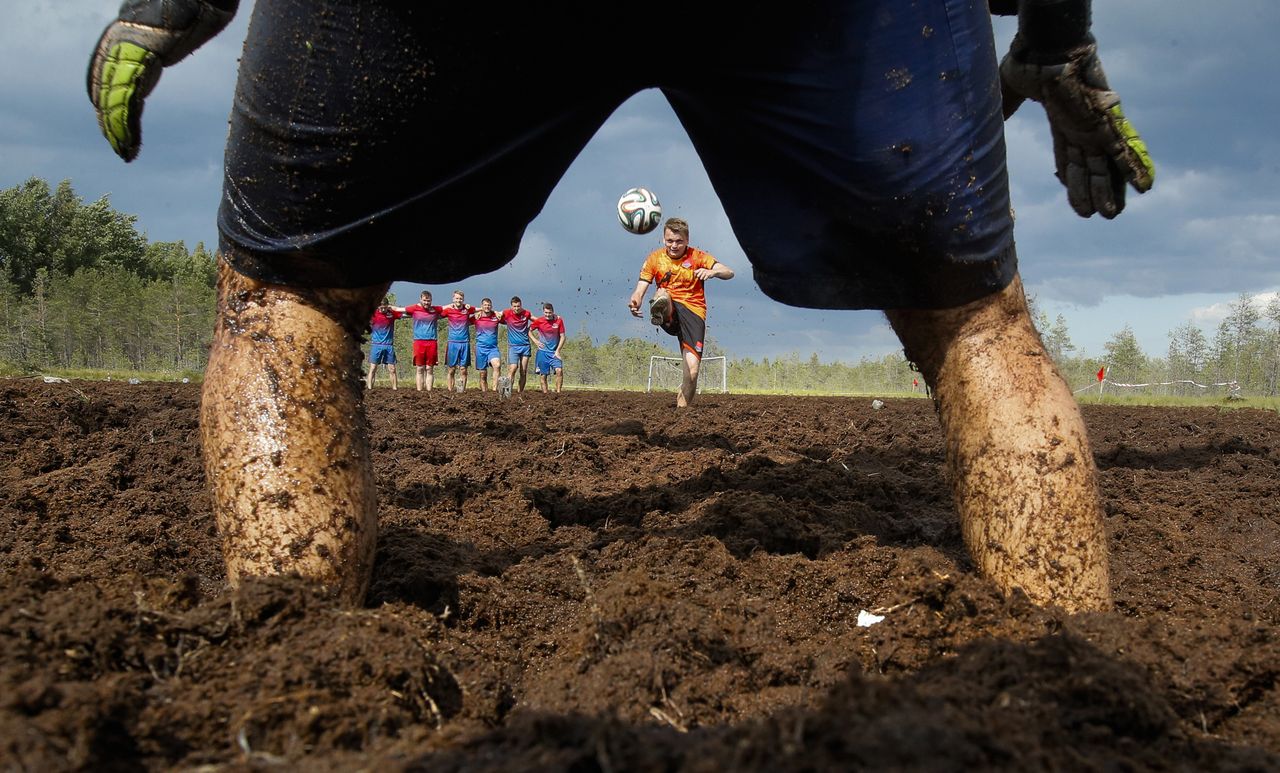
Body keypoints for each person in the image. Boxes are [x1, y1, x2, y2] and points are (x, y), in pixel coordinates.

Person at [89, 0, 1153, 610]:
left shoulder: (676, 268)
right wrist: (1054, 29)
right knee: (973, 324)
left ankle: (288, 658)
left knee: (290, 305)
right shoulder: (660, 266)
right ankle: (1071, 681)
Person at [629, 218, 734, 408]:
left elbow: (729, 272)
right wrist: (636, 300)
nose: (674, 245)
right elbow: (640, 287)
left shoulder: (698, 257)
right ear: (663, 239)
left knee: (692, 373)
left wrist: (712, 272)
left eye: (679, 241)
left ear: (687, 240)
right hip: (670, 308)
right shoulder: (655, 258)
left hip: (693, 312)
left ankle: (681, 413)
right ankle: (661, 313)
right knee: (662, 294)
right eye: (670, 241)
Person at [402, 290, 444, 391]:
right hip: (418, 341)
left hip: (432, 342)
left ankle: (429, 392)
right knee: (420, 368)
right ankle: (419, 392)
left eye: (428, 301)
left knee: (429, 369)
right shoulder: (414, 309)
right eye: (424, 300)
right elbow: (399, 309)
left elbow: (449, 307)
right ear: (420, 299)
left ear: (431, 301)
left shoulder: (435, 310)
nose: (426, 302)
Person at [365, 298, 404, 390]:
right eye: (381, 307)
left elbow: (404, 314)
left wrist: (393, 308)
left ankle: (395, 389)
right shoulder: (373, 314)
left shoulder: (391, 313)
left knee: (392, 369)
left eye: (384, 307)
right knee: (373, 368)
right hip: (376, 344)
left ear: (387, 306)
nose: (383, 309)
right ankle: (370, 388)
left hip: (388, 345)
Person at [441, 290, 475, 393]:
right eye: (456, 298)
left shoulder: (467, 309)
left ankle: (461, 391)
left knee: (463, 369)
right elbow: (437, 313)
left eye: (460, 298)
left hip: (464, 342)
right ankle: (450, 390)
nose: (458, 300)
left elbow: (482, 309)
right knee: (451, 369)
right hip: (452, 342)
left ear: (463, 300)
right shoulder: (448, 310)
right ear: (453, 299)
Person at [500, 296, 534, 393]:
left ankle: (520, 393)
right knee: (513, 368)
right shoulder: (507, 312)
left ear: (521, 305)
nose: (516, 308)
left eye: (518, 306)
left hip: (525, 346)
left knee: (523, 371)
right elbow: (496, 314)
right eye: (514, 306)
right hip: (513, 347)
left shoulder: (526, 313)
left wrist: (554, 319)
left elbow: (538, 320)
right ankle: (507, 391)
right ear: (511, 306)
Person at [531, 303, 566, 394]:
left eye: (549, 313)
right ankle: (545, 394)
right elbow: (529, 331)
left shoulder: (559, 320)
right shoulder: (539, 321)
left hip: (554, 352)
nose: (547, 315)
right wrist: (536, 341)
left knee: (559, 370)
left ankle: (558, 393)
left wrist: (558, 350)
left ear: (553, 312)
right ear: (543, 312)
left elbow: (562, 336)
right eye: (546, 312)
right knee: (543, 375)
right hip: (542, 352)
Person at [473, 298, 504, 393]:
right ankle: (485, 393)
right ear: (481, 306)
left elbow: (510, 315)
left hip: (492, 348)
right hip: (480, 348)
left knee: (497, 365)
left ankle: (494, 391)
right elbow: (463, 319)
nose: (487, 307)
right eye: (485, 305)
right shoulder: (476, 317)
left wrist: (499, 313)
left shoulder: (496, 317)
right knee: (483, 374)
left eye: (489, 305)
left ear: (491, 306)